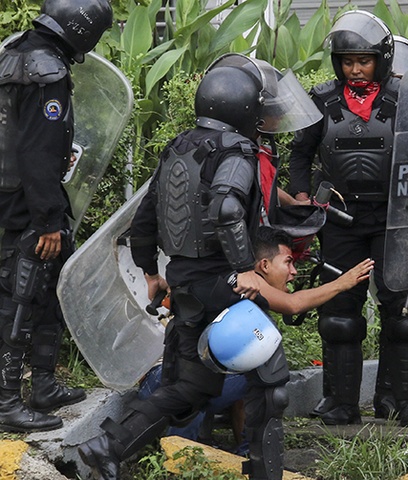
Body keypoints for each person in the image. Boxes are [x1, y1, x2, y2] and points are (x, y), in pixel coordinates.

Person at [77, 54, 317, 480]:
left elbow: (146, 217)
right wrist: (244, 268)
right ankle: (263, 471)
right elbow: (227, 208)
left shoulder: (179, 146)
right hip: (220, 280)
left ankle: (107, 447)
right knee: (271, 376)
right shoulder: (239, 153)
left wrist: (152, 273)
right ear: (245, 110)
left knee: (189, 387)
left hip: (186, 280)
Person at [287, 10, 408, 428]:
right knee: (339, 315)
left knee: (401, 313)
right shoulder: (322, 99)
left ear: (382, 60)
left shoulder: (406, 98)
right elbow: (300, 152)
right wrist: (301, 198)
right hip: (340, 219)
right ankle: (340, 402)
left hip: (393, 220)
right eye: (347, 61)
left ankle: (402, 402)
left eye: (363, 60)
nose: (355, 69)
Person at [138, 224, 373, 450]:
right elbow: (293, 304)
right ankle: (182, 455)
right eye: (288, 262)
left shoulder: (232, 280)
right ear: (264, 265)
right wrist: (343, 283)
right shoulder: (245, 281)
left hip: (176, 380)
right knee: (259, 374)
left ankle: (244, 452)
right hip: (163, 381)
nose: (293, 272)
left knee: (250, 366)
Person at [0, 0, 112, 433]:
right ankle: (8, 401)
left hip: (13, 196)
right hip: (31, 205)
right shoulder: (47, 72)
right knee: (22, 296)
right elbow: (37, 151)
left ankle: (45, 385)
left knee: (48, 287)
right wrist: (47, 219)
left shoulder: (13, 54)